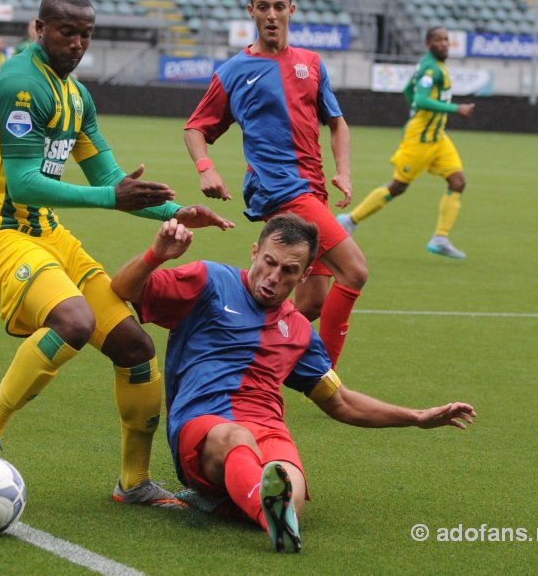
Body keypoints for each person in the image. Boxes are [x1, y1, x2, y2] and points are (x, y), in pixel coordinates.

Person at [0, 0, 235, 508]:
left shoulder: (76, 95)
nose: (78, 43)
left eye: (86, 34)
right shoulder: (20, 84)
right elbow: (23, 185)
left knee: (135, 348)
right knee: (76, 322)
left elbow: (108, 174)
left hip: (46, 234)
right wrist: (111, 196)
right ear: (40, 29)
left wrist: (176, 212)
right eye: (67, 31)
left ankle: (133, 484)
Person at [110, 214, 476, 553]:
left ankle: (269, 511)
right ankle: (264, 510)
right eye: (269, 262)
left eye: (289, 270)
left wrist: (416, 416)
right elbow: (124, 289)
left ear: (303, 277)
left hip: (269, 429)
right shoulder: (208, 280)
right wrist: (156, 254)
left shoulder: (299, 330)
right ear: (255, 251)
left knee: (289, 481)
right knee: (237, 439)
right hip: (205, 424)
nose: (273, 277)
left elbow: (341, 402)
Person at [184, 0, 367, 368]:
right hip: (281, 190)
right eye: (263, 7)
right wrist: (205, 168)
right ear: (251, 11)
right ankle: (326, 381)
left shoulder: (311, 64)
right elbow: (196, 127)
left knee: (311, 302)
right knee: (354, 272)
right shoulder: (234, 71)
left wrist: (345, 172)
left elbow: (337, 122)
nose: (271, 15)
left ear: (291, 10)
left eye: (279, 7)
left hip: (312, 189)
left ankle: (243, 356)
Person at [337, 26, 475, 260]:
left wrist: (417, 111)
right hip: (420, 140)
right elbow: (420, 98)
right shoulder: (431, 69)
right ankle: (350, 220)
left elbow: (408, 89)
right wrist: (456, 108)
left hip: (438, 138)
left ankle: (440, 238)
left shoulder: (433, 65)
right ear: (429, 44)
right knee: (398, 186)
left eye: (446, 40)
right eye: (439, 40)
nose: (444, 44)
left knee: (458, 182)